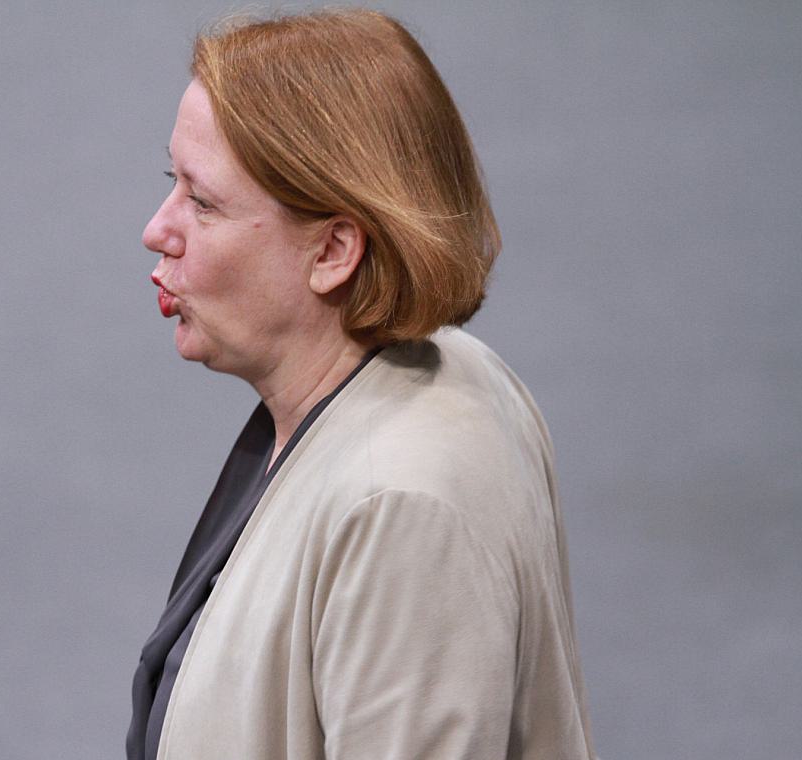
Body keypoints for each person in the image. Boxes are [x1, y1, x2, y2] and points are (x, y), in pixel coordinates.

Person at [128, 9, 595, 760]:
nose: (158, 229)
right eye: (170, 182)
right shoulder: (454, 376)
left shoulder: (400, 506)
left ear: (334, 251)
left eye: (203, 202)